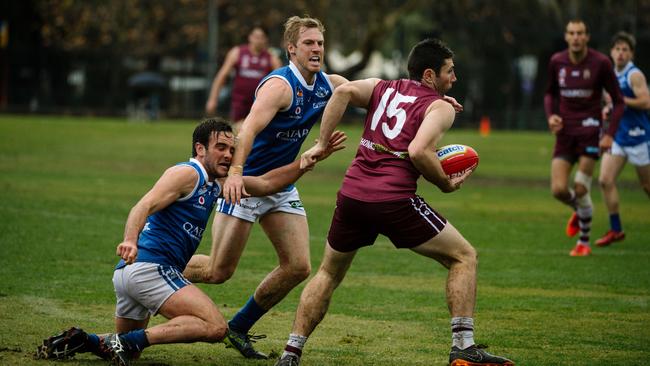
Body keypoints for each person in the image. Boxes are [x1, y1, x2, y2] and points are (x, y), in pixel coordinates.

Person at [274, 38, 514, 366]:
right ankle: (463, 347)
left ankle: (291, 352)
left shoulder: (381, 86)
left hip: (353, 195)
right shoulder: (440, 108)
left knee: (328, 273)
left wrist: (322, 142)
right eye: (450, 71)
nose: (454, 79)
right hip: (394, 200)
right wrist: (444, 183)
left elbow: (342, 92)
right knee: (463, 256)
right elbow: (418, 151)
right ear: (430, 75)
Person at [34, 117, 345, 366]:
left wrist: (305, 162)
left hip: (130, 277)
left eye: (231, 149)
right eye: (220, 148)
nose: (228, 155)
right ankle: (121, 341)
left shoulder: (216, 182)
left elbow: (265, 184)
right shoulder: (187, 174)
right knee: (215, 327)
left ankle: (83, 339)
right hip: (149, 269)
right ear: (200, 149)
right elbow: (143, 205)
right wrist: (130, 240)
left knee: (132, 350)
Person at [182, 16, 350, 360]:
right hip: (245, 184)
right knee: (218, 271)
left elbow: (374, 94)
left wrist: (425, 101)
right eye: (309, 43)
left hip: (281, 184)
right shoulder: (280, 86)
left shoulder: (329, 84)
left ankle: (238, 327)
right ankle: (155, 266)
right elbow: (247, 132)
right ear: (291, 48)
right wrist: (235, 174)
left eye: (320, 43)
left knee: (298, 266)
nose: (317, 49)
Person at [543, 19, 625, 256]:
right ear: (566, 37)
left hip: (590, 131)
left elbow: (618, 102)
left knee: (580, 187)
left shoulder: (600, 63)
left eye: (580, 33)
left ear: (587, 37)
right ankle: (581, 211)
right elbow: (549, 94)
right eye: (571, 33)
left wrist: (609, 135)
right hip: (565, 133)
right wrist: (551, 117)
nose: (576, 37)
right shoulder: (557, 61)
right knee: (558, 189)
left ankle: (584, 243)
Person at [596, 31, 650, 246]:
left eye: (625, 50)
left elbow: (646, 102)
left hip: (639, 137)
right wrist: (609, 110)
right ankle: (616, 229)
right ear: (611, 52)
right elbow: (613, 105)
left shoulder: (634, 75)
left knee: (647, 186)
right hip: (618, 137)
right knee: (605, 180)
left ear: (631, 54)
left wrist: (620, 100)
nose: (620, 53)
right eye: (617, 49)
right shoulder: (609, 75)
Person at [205, 25, 282, 126]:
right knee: (239, 131)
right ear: (249, 37)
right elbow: (221, 76)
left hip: (260, 102)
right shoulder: (237, 53)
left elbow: (281, 83)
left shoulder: (271, 58)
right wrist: (213, 99)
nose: (258, 40)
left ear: (266, 39)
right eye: (255, 36)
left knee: (254, 131)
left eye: (261, 37)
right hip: (239, 101)